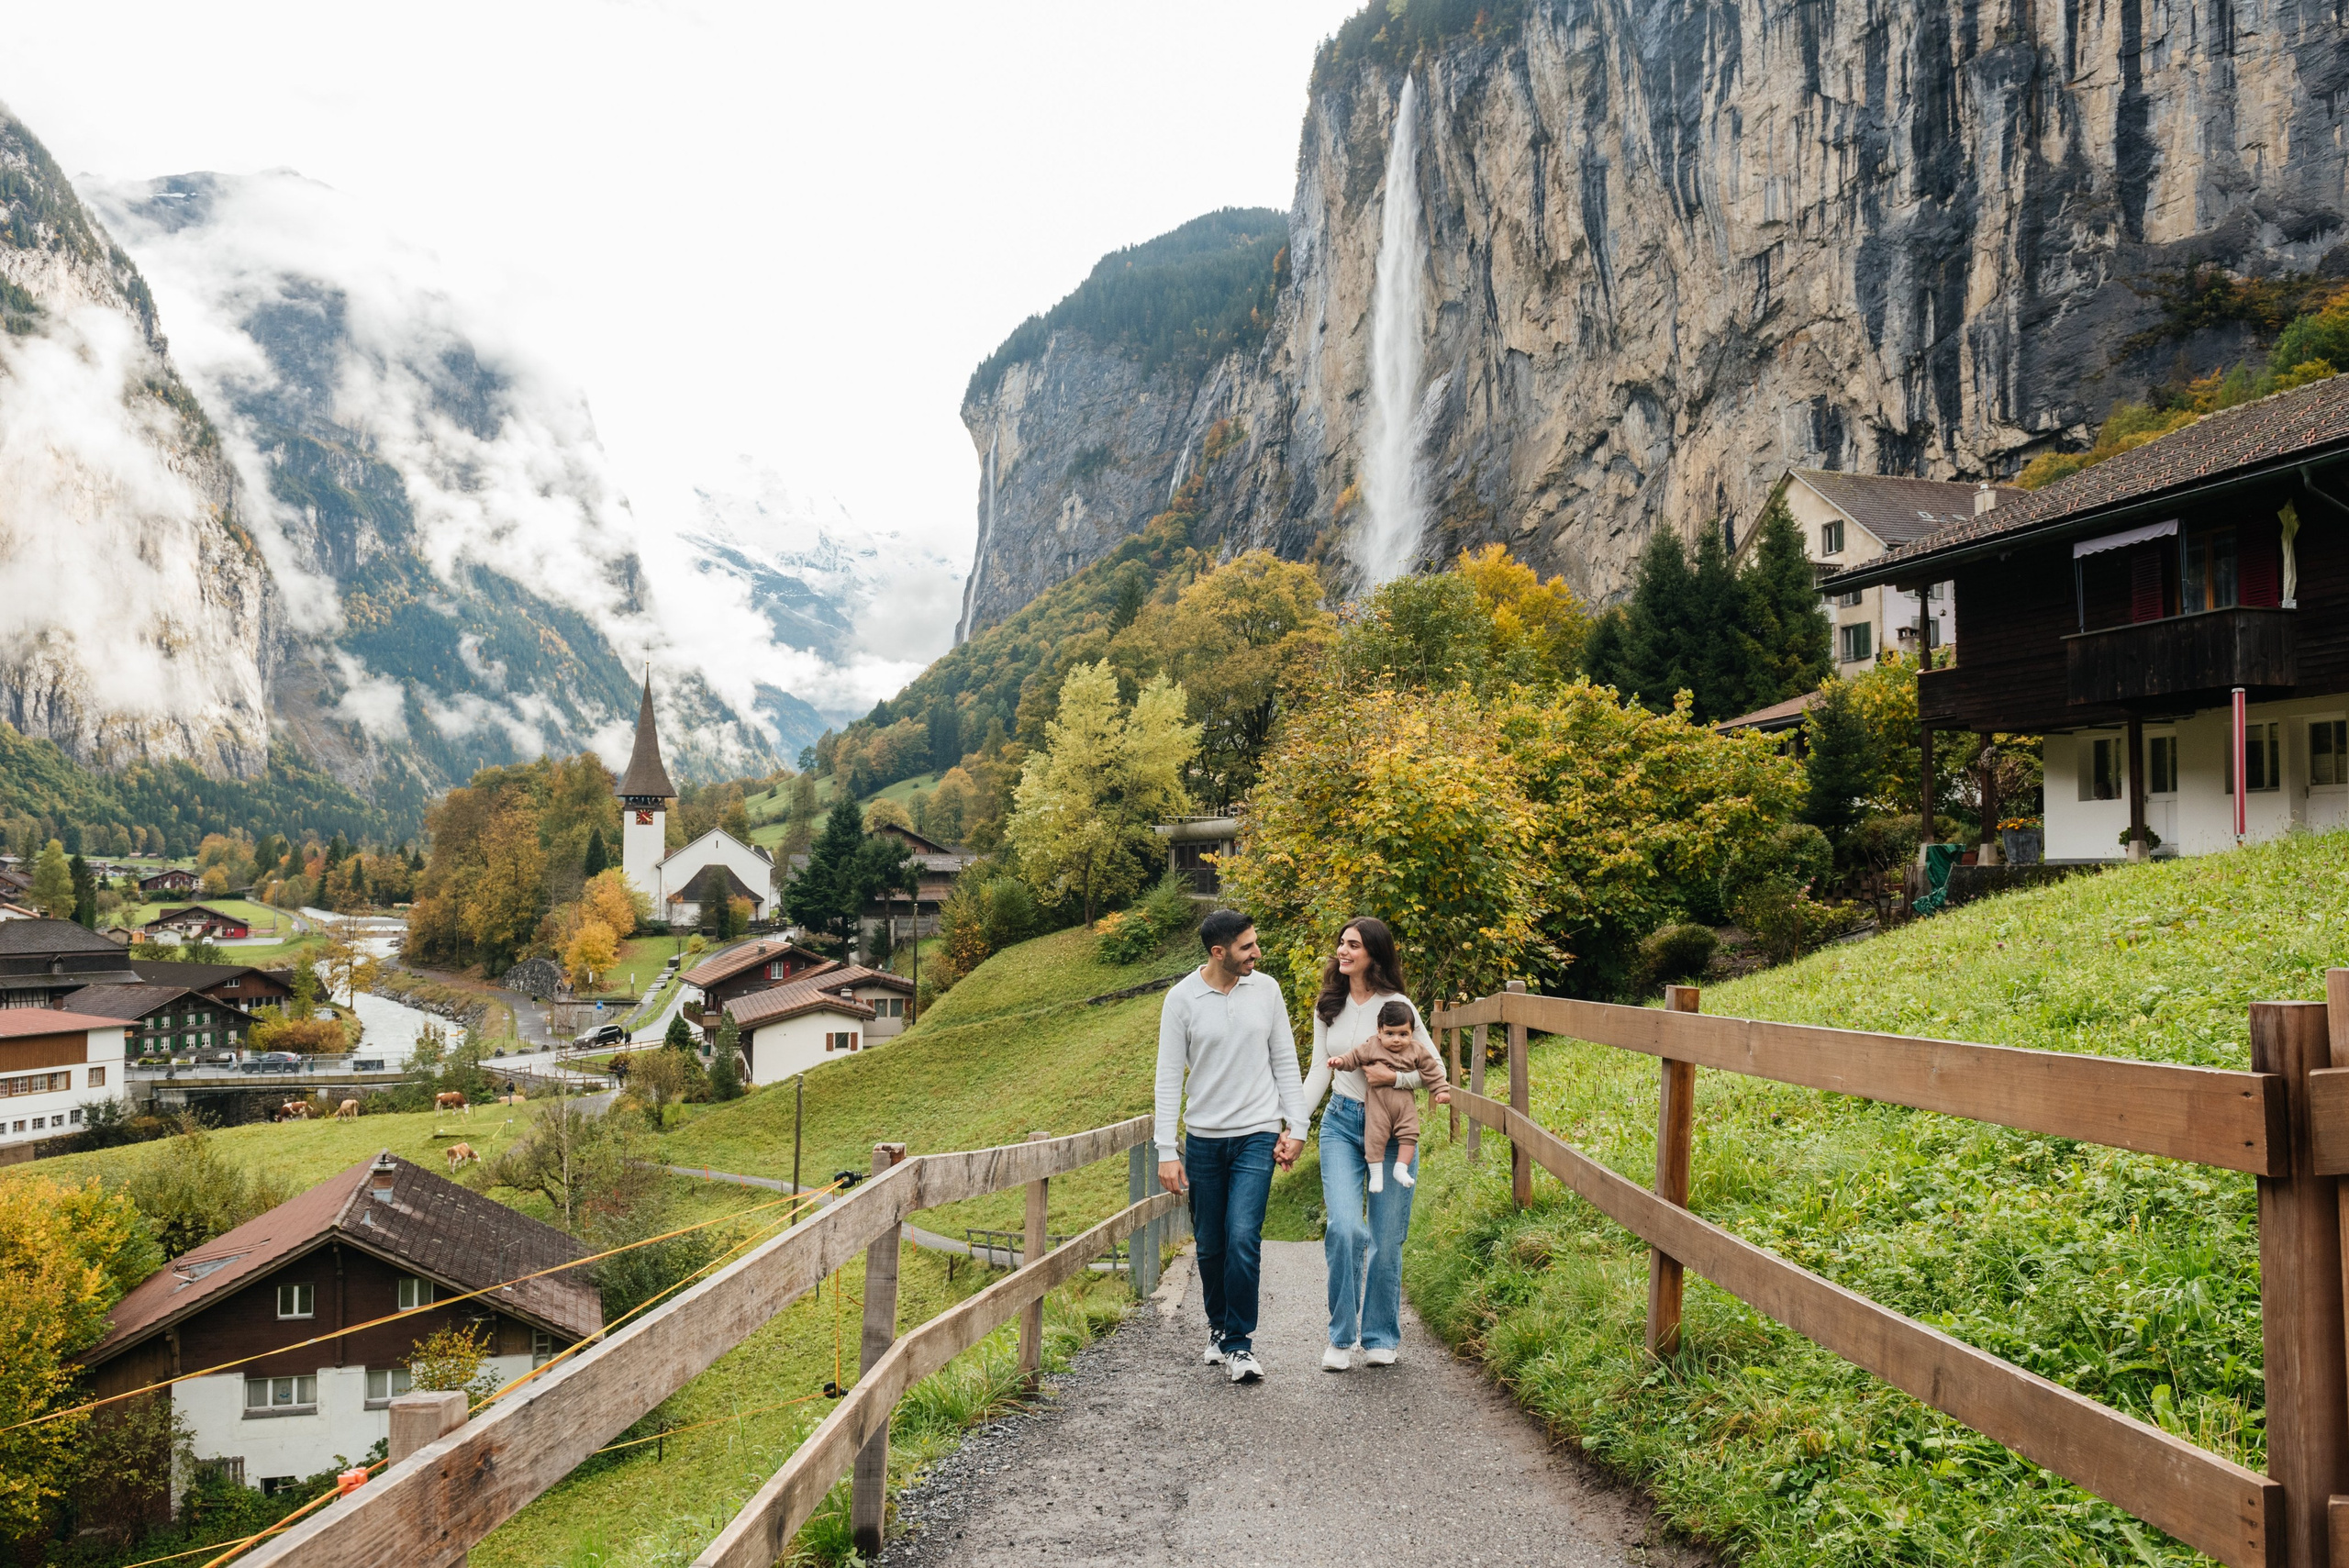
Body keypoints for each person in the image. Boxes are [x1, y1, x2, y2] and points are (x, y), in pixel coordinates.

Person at [1154, 908, 1308, 1384]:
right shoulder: (1182, 1000)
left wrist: (1296, 1126)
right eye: (1246, 947)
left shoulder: (1267, 990)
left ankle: (1241, 1344)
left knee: (1243, 1238)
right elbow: (1166, 1077)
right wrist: (1166, 1149)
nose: (1256, 953)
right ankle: (1218, 1328)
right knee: (1211, 1245)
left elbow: (1284, 1058)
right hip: (1202, 1141)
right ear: (1218, 953)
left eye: (1254, 943)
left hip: (1257, 1135)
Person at [1302, 917, 1435, 1372]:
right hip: (1341, 1123)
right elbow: (1321, 1068)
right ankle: (1341, 1337)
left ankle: (1379, 1335)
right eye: (1341, 943)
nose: (1343, 951)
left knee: (1386, 1237)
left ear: (1373, 955)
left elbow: (1432, 1069)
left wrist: (1394, 1076)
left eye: (1353, 945)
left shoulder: (1398, 1006)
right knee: (1344, 1228)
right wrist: (1294, 1126)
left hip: (1394, 1131)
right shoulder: (1329, 1004)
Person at [1325, 998, 1450, 1193]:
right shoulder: (1372, 1046)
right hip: (1378, 1104)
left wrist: (1440, 1090)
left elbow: (1432, 1071)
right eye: (1390, 1034)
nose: (1397, 1040)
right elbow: (1354, 1057)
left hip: (1404, 1105)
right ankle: (1376, 1175)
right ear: (1379, 1031)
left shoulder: (1417, 1050)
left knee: (1410, 1133)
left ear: (1411, 1033)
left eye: (1403, 1034)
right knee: (1375, 1135)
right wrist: (1339, 1061)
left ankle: (1401, 1168)